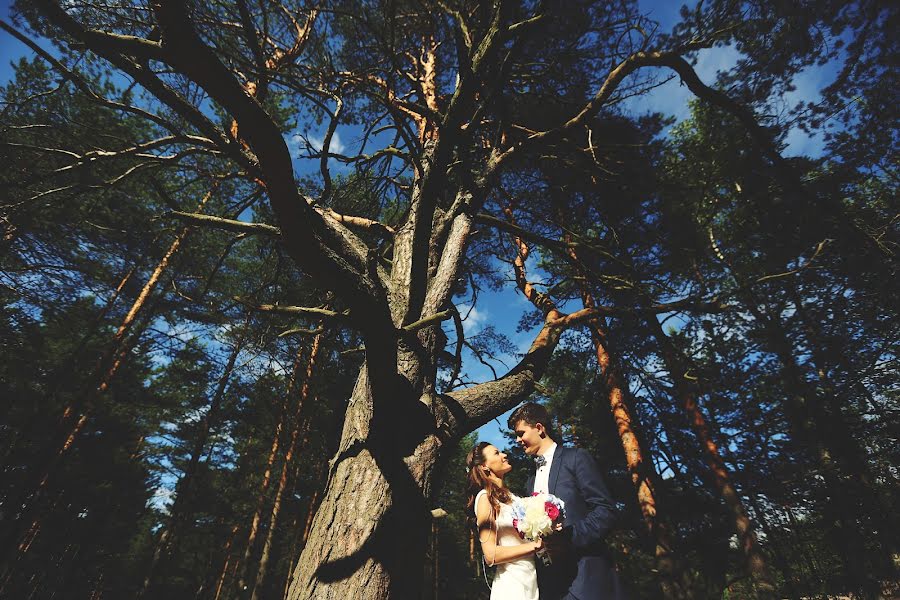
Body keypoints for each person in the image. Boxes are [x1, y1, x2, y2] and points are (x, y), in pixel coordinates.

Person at [509, 402, 627, 600]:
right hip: (551, 586)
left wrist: (568, 540)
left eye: (521, 433)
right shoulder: (530, 480)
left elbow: (605, 510)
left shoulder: (576, 458)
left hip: (587, 578)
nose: (518, 440)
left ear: (539, 428)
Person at [465, 441, 541, 599]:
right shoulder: (485, 498)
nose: (504, 455)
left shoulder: (514, 498)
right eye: (496, 453)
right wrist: (535, 546)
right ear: (485, 466)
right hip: (512, 586)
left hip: (531, 579)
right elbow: (490, 555)